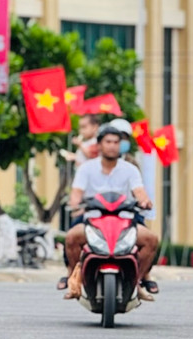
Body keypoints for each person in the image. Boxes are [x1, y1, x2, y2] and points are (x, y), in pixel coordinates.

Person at [60, 119, 159, 301]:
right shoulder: (86, 169)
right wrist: (75, 204)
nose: (112, 146)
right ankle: (76, 279)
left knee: (151, 239)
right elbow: (76, 194)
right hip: (92, 220)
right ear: (99, 145)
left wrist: (145, 201)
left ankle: (137, 282)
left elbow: (139, 192)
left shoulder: (130, 169)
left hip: (125, 221)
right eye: (108, 142)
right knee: (71, 237)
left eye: (116, 142)